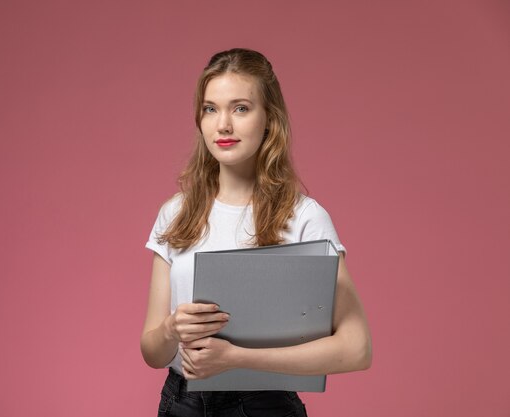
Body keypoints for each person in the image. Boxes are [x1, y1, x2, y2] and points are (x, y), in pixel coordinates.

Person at [140, 48, 372, 417]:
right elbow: (153, 352)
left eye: (241, 108)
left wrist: (236, 358)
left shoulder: (305, 218)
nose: (223, 125)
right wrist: (171, 328)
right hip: (180, 403)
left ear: (269, 119)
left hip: (264, 405)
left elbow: (357, 348)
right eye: (210, 108)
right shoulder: (175, 213)